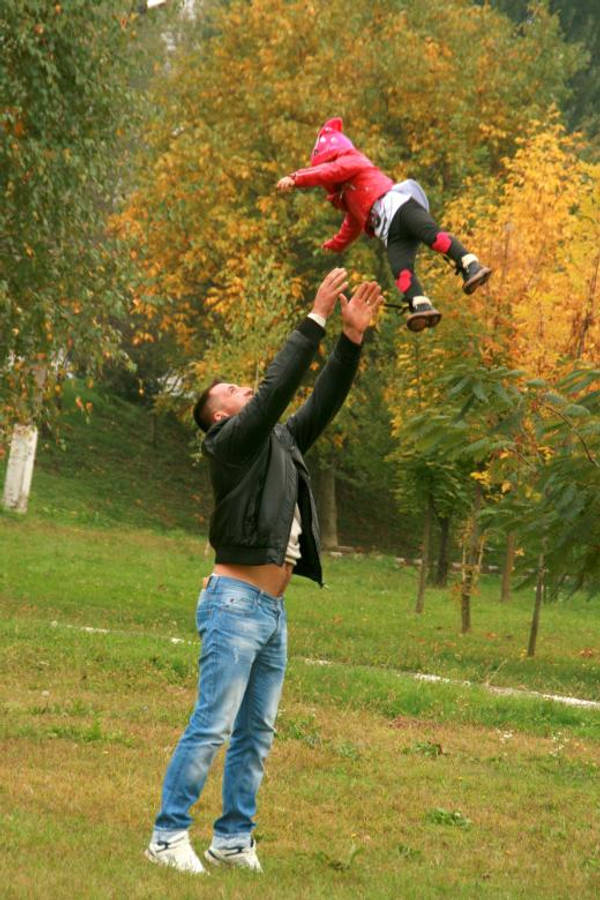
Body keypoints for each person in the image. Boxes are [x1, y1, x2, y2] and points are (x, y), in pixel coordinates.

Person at [145, 267, 382, 876]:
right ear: (219, 418)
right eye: (236, 392)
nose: (249, 392)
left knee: (256, 735)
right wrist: (316, 318)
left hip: (270, 613)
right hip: (234, 605)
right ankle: (168, 835)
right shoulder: (229, 446)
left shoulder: (277, 443)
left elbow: (318, 402)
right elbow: (277, 388)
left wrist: (350, 341)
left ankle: (232, 840)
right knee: (213, 725)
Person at [277, 117, 492, 333]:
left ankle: (469, 264)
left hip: (400, 207)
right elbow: (352, 224)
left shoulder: (352, 161)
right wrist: (336, 244)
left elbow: (329, 172)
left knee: (433, 237)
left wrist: (296, 178)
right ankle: (420, 304)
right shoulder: (346, 195)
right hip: (390, 233)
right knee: (400, 269)